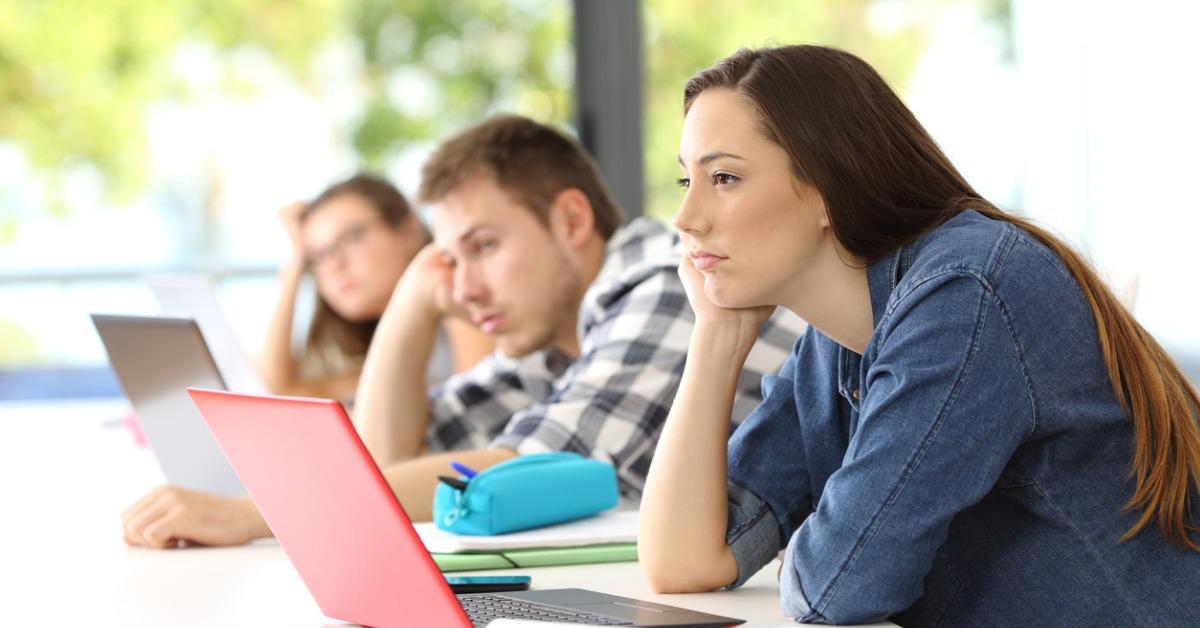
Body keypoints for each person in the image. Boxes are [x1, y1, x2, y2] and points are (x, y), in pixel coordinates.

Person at [639, 45, 1200, 626]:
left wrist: (813, 555)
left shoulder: (964, 295)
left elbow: (835, 590)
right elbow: (683, 561)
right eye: (687, 179)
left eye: (724, 177)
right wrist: (716, 340)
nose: (685, 217)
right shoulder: (836, 341)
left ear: (830, 186)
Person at [120, 115, 804, 548]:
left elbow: (524, 469)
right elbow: (385, 460)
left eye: (482, 247)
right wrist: (414, 304)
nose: (464, 287)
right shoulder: (551, 346)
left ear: (570, 222)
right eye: (450, 258)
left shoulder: (666, 288)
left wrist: (255, 513)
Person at [259, 173, 492, 401]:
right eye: (318, 257)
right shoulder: (388, 349)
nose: (334, 266)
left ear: (408, 230)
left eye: (351, 238)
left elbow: (474, 412)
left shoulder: (458, 298)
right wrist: (295, 263)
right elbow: (277, 390)